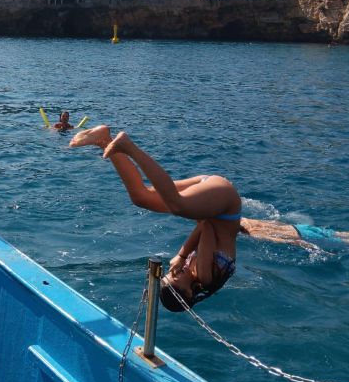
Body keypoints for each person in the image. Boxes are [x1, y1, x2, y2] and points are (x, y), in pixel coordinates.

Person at [70, 125, 241, 312]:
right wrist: (183, 254)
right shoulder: (205, 277)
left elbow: (205, 224)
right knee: (178, 205)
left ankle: (104, 140)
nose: (174, 271)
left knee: (141, 197)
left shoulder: (195, 272)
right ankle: (129, 146)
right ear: (189, 294)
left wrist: (184, 254)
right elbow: (206, 225)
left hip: (212, 198)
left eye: (169, 273)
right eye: (175, 277)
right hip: (224, 201)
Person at [239, 218, 349, 251]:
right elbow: (276, 223)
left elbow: (284, 240)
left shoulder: (253, 234)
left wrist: (309, 247)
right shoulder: (244, 219)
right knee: (343, 234)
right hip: (299, 227)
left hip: (306, 237)